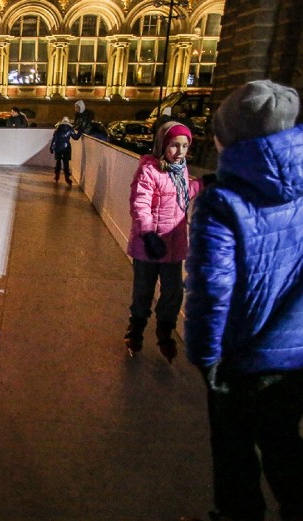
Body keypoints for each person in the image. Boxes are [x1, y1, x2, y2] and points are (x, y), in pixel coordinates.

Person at [183, 80, 303, 521]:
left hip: (240, 356)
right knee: (284, 441)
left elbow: (211, 291)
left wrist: (205, 358)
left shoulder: (222, 201)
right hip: (296, 357)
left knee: (233, 452)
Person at [123, 121, 202, 362]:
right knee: (143, 292)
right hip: (149, 246)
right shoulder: (150, 170)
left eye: (184, 146)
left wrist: (206, 183)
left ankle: (164, 330)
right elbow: (140, 204)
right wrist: (147, 234)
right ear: (162, 145)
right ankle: (135, 330)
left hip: (173, 246)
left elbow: (183, 193)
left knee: (173, 292)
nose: (179, 151)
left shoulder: (181, 171)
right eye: (174, 145)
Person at [49, 117, 81, 185]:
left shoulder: (58, 129)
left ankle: (57, 176)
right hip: (66, 148)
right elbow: (75, 137)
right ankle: (67, 178)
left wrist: (51, 148)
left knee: (58, 162)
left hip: (58, 147)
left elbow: (54, 139)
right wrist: (80, 131)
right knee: (66, 163)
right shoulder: (70, 129)